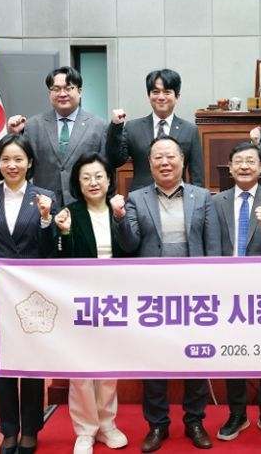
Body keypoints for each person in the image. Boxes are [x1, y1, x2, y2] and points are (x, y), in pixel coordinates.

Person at [111, 135, 221, 452]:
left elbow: (213, 247)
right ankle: (157, 424)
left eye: (171, 156)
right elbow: (130, 245)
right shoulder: (136, 198)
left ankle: (195, 421)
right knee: (154, 360)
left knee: (196, 358)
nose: (165, 162)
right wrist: (120, 218)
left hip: (195, 294)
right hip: (153, 295)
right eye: (158, 156)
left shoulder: (202, 197)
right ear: (149, 163)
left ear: (183, 160)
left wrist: (214, 288)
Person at [0, 134, 57, 454]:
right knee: (3, 361)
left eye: (18, 159)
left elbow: (50, 249)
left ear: (29, 162)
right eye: (5, 159)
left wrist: (46, 218)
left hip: (33, 294)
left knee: (31, 359)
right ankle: (9, 429)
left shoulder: (45, 197)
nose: (12, 165)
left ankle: (31, 428)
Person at [53, 152, 129, 454]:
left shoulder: (119, 210)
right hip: (80, 300)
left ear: (109, 179)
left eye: (99, 176)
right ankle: (85, 429)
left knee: (109, 367)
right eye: (86, 178)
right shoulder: (70, 213)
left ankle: (107, 424)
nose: (93, 182)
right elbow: (60, 261)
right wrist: (64, 232)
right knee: (82, 369)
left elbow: (131, 249)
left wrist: (122, 217)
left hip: (114, 299)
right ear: (78, 183)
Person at [212, 141, 261, 443]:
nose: (244, 166)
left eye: (251, 161)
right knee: (233, 354)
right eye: (239, 161)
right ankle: (237, 414)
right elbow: (212, 246)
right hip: (227, 291)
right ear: (230, 167)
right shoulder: (216, 201)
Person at [6, 66, 109, 207]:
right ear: (49, 93)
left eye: (68, 88)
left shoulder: (99, 126)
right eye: (56, 89)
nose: (62, 94)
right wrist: (15, 135)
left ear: (79, 91)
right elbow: (22, 166)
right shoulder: (33, 126)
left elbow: (106, 169)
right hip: (44, 205)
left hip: (86, 205)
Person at [107, 68, 205, 190]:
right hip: (141, 197)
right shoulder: (133, 128)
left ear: (177, 96)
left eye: (167, 92)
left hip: (177, 196)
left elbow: (197, 176)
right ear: (149, 95)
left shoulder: (190, 130)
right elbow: (115, 160)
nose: (161, 97)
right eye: (155, 92)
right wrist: (116, 127)